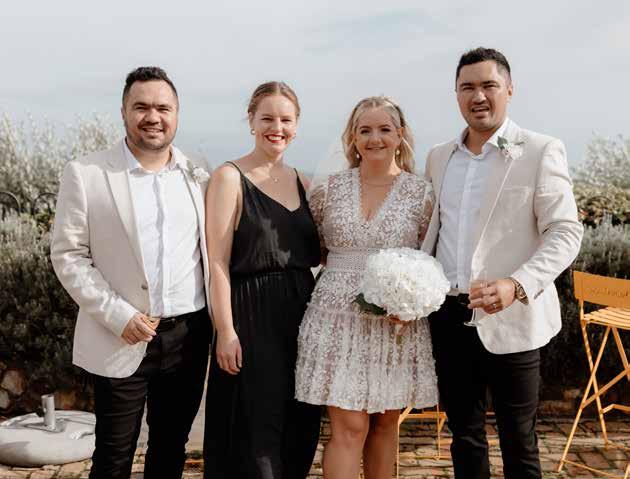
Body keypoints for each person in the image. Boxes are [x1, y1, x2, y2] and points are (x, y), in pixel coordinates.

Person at [423, 48, 584, 478]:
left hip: (514, 317)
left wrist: (517, 284)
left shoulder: (541, 150)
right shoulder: (438, 157)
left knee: (519, 440)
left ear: (509, 90)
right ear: (456, 95)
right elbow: (433, 230)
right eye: (467, 87)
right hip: (449, 316)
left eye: (488, 85)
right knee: (464, 436)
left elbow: (565, 232)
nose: (478, 96)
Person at [50, 66, 212, 479]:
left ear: (177, 114)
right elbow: (68, 255)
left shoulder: (198, 171)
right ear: (123, 112)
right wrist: (118, 316)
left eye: (163, 108)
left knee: (170, 450)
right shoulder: (87, 173)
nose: (152, 117)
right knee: (113, 456)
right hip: (120, 333)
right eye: (141, 107)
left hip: (189, 335)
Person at [295, 96, 438, 479]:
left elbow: (427, 258)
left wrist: (411, 301)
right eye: (365, 130)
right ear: (353, 138)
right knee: (350, 427)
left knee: (385, 425)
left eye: (384, 129)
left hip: (395, 324)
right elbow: (315, 249)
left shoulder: (421, 193)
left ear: (400, 135)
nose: (375, 138)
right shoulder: (328, 189)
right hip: (335, 318)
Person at [202, 81, 321, 479]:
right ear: (251, 120)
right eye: (267, 118)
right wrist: (225, 331)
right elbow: (217, 261)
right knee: (256, 432)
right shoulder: (229, 177)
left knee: (301, 426)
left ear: (297, 126)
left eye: (286, 120)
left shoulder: (305, 182)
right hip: (251, 317)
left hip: (303, 318)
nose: (277, 127)